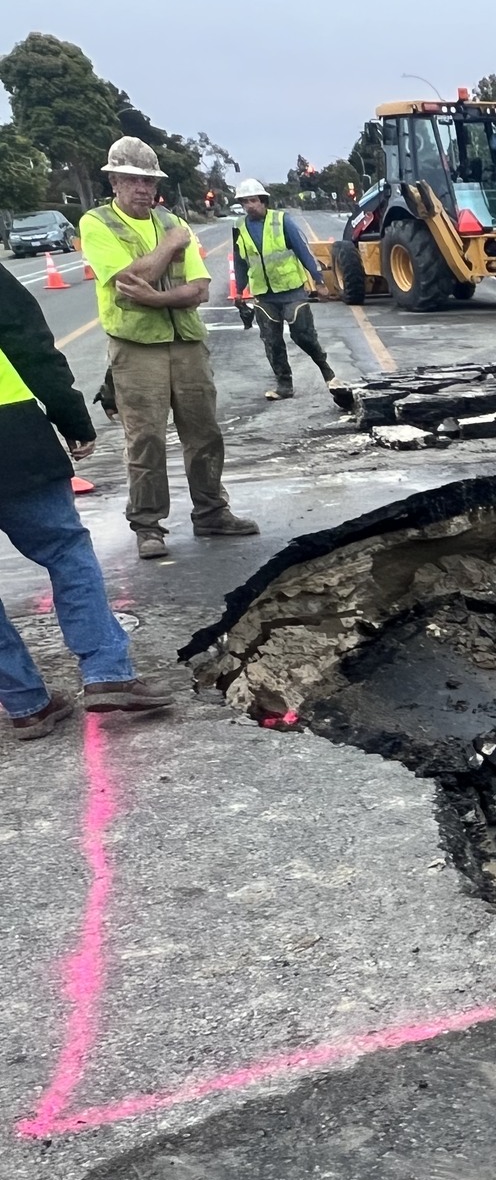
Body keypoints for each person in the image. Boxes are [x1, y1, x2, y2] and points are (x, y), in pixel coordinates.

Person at [0, 263, 177, 738]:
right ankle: (107, 673)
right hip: (10, 442)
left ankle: (26, 704)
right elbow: (31, 347)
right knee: (65, 551)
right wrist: (73, 421)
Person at [78, 136, 257, 561]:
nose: (143, 188)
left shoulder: (172, 220)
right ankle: (147, 526)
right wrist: (170, 245)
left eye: (148, 181)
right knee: (146, 439)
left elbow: (198, 289)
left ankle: (212, 511)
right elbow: (126, 280)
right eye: (133, 180)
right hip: (136, 345)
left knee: (204, 432)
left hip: (187, 339)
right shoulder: (99, 222)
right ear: (115, 181)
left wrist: (155, 296)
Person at [230, 177, 336, 403]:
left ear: (263, 201)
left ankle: (328, 373)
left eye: (253, 200)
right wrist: (239, 290)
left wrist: (319, 281)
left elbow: (303, 251)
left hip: (291, 291)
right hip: (264, 295)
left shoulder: (281, 221)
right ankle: (284, 385)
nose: (249, 206)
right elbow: (241, 261)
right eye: (244, 202)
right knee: (272, 341)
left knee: (304, 336)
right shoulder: (239, 228)